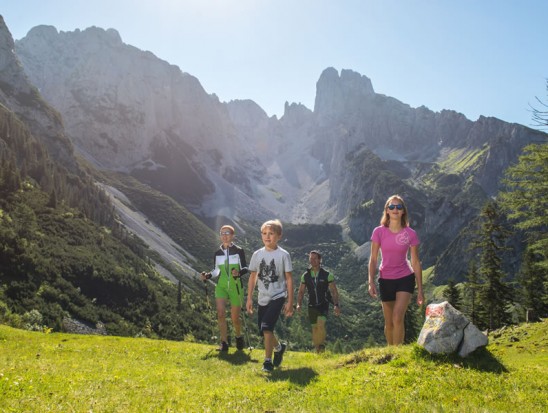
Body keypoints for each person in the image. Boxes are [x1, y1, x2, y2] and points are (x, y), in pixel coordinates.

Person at [368, 195, 424, 346]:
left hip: (405, 278)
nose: (395, 210)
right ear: (386, 211)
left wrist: (420, 290)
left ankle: (397, 355)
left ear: (403, 211)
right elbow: (373, 259)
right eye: (391, 207)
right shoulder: (378, 232)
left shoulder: (410, 234)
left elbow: (415, 262)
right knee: (389, 322)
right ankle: (390, 351)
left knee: (398, 317)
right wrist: (370, 281)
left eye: (399, 207)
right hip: (385, 279)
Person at [246, 219, 294, 372]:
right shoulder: (257, 254)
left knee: (267, 327)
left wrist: (290, 301)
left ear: (279, 236)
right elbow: (253, 277)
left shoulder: (283, 255)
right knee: (264, 329)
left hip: (278, 296)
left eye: (271, 234)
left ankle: (267, 361)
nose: (267, 237)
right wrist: (249, 298)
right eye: (264, 233)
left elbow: (289, 279)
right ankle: (279, 348)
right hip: (262, 297)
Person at [201, 225, 248, 352]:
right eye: (222, 233)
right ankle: (224, 343)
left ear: (232, 235)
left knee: (235, 318)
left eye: (227, 233)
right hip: (221, 286)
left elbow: (245, 268)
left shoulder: (239, 251)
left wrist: (238, 273)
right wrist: (208, 275)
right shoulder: (217, 253)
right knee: (221, 314)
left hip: (236, 286)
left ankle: (238, 336)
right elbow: (216, 271)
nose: (224, 235)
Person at [297, 250, 341, 353]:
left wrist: (336, 305)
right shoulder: (305, 276)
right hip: (311, 305)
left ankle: (321, 346)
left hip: (323, 304)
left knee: (321, 324)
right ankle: (317, 350)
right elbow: (301, 291)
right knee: (314, 328)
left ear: (319, 260)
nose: (312, 261)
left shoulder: (327, 275)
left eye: (315, 258)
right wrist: (298, 304)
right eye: (310, 259)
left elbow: (334, 291)